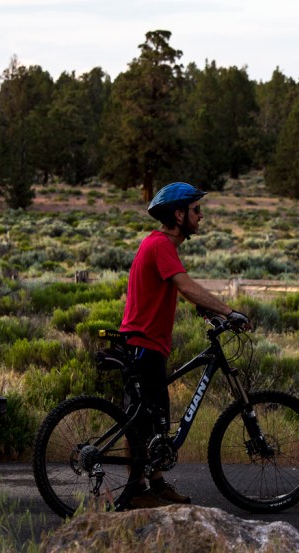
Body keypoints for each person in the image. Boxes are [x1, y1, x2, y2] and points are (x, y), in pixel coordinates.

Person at [119, 181, 250, 509]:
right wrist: (228, 311)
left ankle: (156, 485)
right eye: (196, 210)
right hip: (144, 345)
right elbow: (185, 285)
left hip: (145, 344)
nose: (201, 216)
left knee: (152, 422)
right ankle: (135, 491)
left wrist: (205, 310)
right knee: (145, 422)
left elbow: (175, 287)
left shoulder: (159, 245)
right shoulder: (161, 244)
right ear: (178, 214)